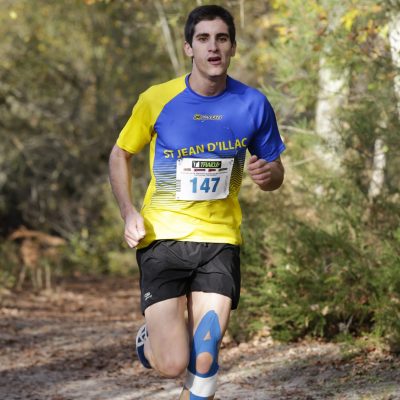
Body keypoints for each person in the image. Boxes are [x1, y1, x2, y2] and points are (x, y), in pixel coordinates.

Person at [108, 4, 285, 399]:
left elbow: (275, 172)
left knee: (205, 353)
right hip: (162, 239)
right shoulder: (157, 99)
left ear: (233, 47)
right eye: (203, 39)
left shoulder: (253, 105)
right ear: (189, 48)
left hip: (219, 240)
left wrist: (269, 175)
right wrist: (128, 211)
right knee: (172, 363)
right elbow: (120, 153)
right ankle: (150, 340)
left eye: (221, 38)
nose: (213, 47)